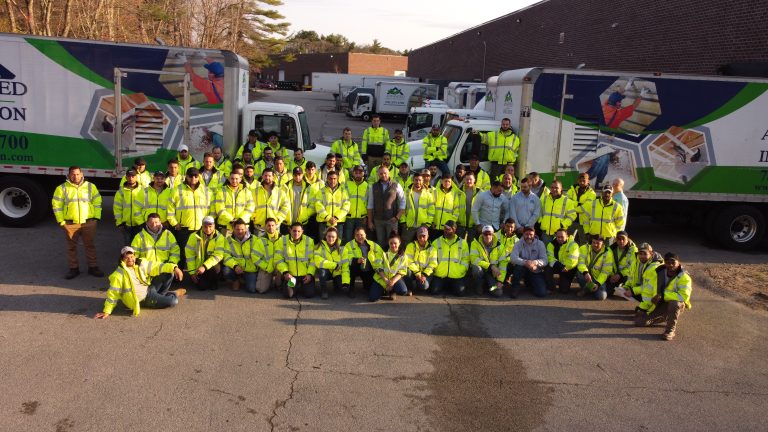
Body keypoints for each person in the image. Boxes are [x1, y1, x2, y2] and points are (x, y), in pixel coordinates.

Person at [94, 246, 185, 319]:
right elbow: (113, 294)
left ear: (135, 256)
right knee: (173, 301)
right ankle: (173, 294)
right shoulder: (118, 275)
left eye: (132, 256)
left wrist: (174, 267)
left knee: (169, 273)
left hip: (149, 289)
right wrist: (107, 311)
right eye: (127, 257)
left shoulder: (141, 263)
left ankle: (160, 297)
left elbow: (157, 266)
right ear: (122, 259)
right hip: (145, 299)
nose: (130, 259)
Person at [52, 166, 104, 279]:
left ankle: (93, 267)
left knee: (90, 245)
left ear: (81, 174)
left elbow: (97, 202)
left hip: (88, 222)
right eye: (73, 174)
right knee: (71, 247)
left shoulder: (91, 186)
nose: (75, 176)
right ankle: (73, 269)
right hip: (70, 223)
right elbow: (56, 206)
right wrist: (61, 221)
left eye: (77, 174)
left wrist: (96, 218)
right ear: (69, 175)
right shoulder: (62, 188)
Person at [634, 252, 693, 341]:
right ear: (664, 263)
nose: (670, 265)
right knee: (639, 322)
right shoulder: (658, 273)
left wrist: (663, 295)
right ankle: (665, 316)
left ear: (679, 263)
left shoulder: (684, 277)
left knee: (674, 303)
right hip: (659, 304)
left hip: (675, 304)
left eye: (673, 262)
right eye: (667, 262)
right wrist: (642, 308)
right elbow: (648, 291)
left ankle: (670, 330)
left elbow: (683, 296)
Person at [167, 167, 211, 269]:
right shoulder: (177, 190)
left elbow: (211, 208)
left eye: (195, 176)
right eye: (190, 176)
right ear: (186, 176)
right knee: (182, 253)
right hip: (184, 228)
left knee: (199, 254)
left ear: (199, 177)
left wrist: (208, 224)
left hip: (200, 228)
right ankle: (179, 275)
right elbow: (170, 210)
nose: (193, 178)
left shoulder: (205, 190)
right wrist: (175, 224)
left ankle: (197, 276)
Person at [366, 166, 406, 249]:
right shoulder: (373, 187)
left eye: (385, 173)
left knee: (392, 243)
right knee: (380, 243)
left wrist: (397, 217)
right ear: (378, 174)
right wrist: (370, 221)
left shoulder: (396, 185)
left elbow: (403, 201)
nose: (383, 175)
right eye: (381, 173)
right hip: (378, 220)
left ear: (389, 173)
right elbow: (370, 204)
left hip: (392, 220)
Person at [276, 223, 316, 299]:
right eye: (294, 231)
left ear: (302, 231)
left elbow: (313, 260)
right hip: (291, 276)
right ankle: (294, 285)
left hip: (305, 276)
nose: (296, 233)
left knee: (309, 294)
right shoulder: (282, 241)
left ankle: (300, 285)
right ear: (290, 230)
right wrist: (285, 272)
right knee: (288, 295)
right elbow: (278, 259)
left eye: (298, 231)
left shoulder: (309, 241)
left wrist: (310, 274)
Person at [185, 215, 225, 291]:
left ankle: (214, 280)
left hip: (212, 266)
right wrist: (192, 273)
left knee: (213, 286)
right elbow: (190, 256)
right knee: (202, 287)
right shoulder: (193, 236)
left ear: (214, 226)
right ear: (202, 226)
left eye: (210, 226)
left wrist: (204, 266)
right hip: (198, 267)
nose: (208, 229)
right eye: (205, 226)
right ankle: (202, 280)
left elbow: (218, 255)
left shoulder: (220, 237)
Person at [341, 226, 383, 298]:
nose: (359, 237)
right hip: (355, 267)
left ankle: (367, 286)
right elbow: (345, 259)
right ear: (354, 236)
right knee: (351, 269)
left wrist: (376, 265)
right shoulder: (349, 245)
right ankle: (351, 289)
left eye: (361, 235)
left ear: (365, 235)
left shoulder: (373, 244)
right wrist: (356, 260)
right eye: (357, 235)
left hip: (368, 268)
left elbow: (381, 256)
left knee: (368, 288)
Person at [430, 220, 470, 296]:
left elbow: (466, 259)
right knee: (434, 291)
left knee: (460, 293)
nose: (445, 231)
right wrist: (436, 269)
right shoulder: (436, 242)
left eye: (448, 229)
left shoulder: (463, 243)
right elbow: (432, 259)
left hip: (456, 275)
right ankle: (447, 286)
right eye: (444, 229)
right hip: (440, 274)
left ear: (454, 230)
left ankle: (449, 286)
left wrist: (460, 270)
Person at [508, 227, 548, 298]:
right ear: (523, 234)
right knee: (518, 268)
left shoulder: (540, 244)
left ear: (534, 234)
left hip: (535, 269)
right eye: (526, 234)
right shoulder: (518, 243)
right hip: (522, 268)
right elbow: (513, 258)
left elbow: (545, 260)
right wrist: (526, 262)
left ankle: (530, 283)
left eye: (531, 234)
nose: (529, 237)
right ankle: (515, 287)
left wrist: (535, 263)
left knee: (541, 293)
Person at [212, 170, 255, 235]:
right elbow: (220, 209)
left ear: (240, 179)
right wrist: (232, 220)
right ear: (229, 179)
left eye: (236, 179)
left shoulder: (247, 192)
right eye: (232, 178)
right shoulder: (221, 191)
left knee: (243, 245)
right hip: (226, 227)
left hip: (243, 227)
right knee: (227, 245)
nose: (234, 181)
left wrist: (241, 220)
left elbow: (250, 208)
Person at [470, 225, 508, 297]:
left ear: (493, 234)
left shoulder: (500, 246)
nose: (487, 236)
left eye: (489, 234)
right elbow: (473, 259)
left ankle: (489, 286)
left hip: (492, 274)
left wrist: (500, 281)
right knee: (476, 268)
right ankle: (479, 285)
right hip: (481, 271)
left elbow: (503, 264)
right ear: (482, 234)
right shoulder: (474, 243)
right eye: (485, 234)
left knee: (498, 293)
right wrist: (491, 266)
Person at [222, 219, 259, 292]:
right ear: (233, 229)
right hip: (236, 267)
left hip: (250, 268)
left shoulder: (255, 239)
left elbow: (258, 256)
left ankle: (243, 279)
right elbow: (226, 256)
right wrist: (235, 266)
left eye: (242, 229)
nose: (240, 231)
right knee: (226, 270)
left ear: (246, 229)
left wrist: (246, 267)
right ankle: (235, 280)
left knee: (251, 289)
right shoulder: (228, 240)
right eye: (237, 229)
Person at [370, 234, 409, 301]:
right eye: (391, 243)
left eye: (395, 243)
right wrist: (386, 281)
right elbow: (379, 267)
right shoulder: (382, 252)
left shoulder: (404, 256)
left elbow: (402, 271)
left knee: (403, 291)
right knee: (373, 298)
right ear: (388, 243)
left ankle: (392, 291)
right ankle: (385, 291)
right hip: (381, 279)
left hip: (394, 279)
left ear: (399, 243)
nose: (393, 245)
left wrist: (392, 282)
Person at [400, 173, 435, 246]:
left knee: (421, 247)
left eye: (420, 180)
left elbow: (431, 211)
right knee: (405, 246)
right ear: (413, 180)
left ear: (423, 181)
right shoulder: (406, 192)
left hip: (422, 226)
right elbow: (402, 207)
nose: (418, 182)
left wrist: (427, 224)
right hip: (409, 226)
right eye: (416, 180)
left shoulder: (428, 194)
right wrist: (403, 222)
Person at [251, 168, 289, 234]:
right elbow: (249, 205)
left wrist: (278, 218)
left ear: (273, 177)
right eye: (265, 176)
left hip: (274, 227)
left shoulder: (280, 192)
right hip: (259, 227)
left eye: (269, 176)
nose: (267, 177)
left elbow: (286, 206)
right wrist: (254, 217)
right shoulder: (255, 191)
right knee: (259, 244)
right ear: (262, 176)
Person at [624, 242, 662, 306]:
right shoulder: (636, 262)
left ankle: (649, 307)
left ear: (651, 254)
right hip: (643, 289)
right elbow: (630, 277)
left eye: (645, 254)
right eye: (640, 254)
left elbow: (648, 287)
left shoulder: (654, 267)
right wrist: (627, 286)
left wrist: (633, 291)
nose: (642, 256)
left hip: (654, 293)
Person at [539, 180, 577, 244]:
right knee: (546, 252)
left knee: (559, 253)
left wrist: (562, 224)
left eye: (556, 188)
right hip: (546, 233)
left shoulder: (567, 201)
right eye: (552, 187)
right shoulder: (544, 199)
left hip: (560, 234)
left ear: (561, 189)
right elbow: (539, 212)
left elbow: (572, 216)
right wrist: (541, 221)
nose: (554, 189)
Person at [113, 168, 145, 246]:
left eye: (133, 176)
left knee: (139, 246)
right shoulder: (121, 192)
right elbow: (117, 208)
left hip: (139, 224)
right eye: (129, 176)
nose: (131, 178)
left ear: (136, 177)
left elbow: (146, 207)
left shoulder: (143, 190)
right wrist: (119, 223)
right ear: (126, 177)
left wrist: (144, 222)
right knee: (128, 247)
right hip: (126, 225)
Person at [313, 170, 350, 236]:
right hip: (324, 222)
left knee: (337, 243)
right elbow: (318, 206)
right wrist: (328, 218)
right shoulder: (321, 191)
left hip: (338, 222)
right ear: (327, 178)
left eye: (334, 179)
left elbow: (346, 206)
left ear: (338, 179)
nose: (332, 181)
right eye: (330, 178)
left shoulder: (343, 191)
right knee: (323, 243)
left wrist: (336, 217)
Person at [544, 228, 580, 294]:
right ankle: (551, 287)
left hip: (568, 268)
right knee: (547, 267)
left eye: (562, 237)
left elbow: (573, 261)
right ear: (556, 236)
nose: (560, 239)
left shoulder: (573, 245)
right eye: (558, 237)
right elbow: (550, 258)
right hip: (558, 266)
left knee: (564, 290)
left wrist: (566, 267)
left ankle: (564, 281)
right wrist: (560, 266)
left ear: (567, 236)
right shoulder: (551, 244)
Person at [404, 226, 437, 294]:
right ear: (417, 236)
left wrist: (424, 275)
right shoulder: (410, 246)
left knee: (424, 286)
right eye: (420, 236)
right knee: (407, 271)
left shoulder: (432, 249)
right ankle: (410, 288)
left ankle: (418, 283)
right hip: (414, 272)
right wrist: (418, 274)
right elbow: (408, 261)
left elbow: (433, 264)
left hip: (426, 273)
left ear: (427, 236)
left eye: (424, 236)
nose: (422, 239)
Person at [253, 218, 282, 294]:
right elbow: (254, 257)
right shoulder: (260, 240)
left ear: (276, 226)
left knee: (281, 287)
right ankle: (269, 281)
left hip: (279, 267)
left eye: (273, 225)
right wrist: (266, 267)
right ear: (265, 227)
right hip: (266, 267)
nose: (271, 227)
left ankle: (278, 283)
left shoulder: (283, 238)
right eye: (268, 225)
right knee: (260, 289)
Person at [566, 172, 596, 244]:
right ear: (578, 181)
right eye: (580, 181)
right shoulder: (572, 190)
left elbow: (586, 207)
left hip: (583, 223)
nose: (582, 182)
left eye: (584, 181)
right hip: (571, 221)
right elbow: (566, 202)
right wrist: (578, 204)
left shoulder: (592, 193)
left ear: (588, 181)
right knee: (567, 241)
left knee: (583, 243)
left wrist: (573, 208)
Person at [315, 227, 344, 299]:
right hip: (327, 271)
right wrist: (334, 265)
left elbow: (344, 260)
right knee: (322, 271)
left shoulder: (341, 246)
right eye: (329, 236)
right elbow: (318, 261)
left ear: (337, 237)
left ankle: (336, 283)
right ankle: (324, 291)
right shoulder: (319, 246)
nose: (331, 239)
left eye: (333, 237)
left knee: (340, 290)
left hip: (338, 271)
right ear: (325, 236)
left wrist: (339, 268)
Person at [432, 175, 463, 241]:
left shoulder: (454, 194)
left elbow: (456, 210)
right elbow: (431, 208)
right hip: (435, 226)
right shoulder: (435, 192)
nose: (447, 183)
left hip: (447, 228)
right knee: (434, 245)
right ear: (441, 181)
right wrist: (432, 221)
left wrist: (451, 224)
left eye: (449, 181)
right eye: (445, 181)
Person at [606, 231, 637, 295]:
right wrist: (612, 275)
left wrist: (619, 275)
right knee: (608, 292)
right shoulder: (610, 249)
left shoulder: (633, 250)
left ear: (627, 239)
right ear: (616, 240)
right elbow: (608, 264)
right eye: (619, 239)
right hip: (614, 275)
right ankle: (619, 287)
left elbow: (632, 267)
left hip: (625, 275)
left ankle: (626, 288)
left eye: (623, 239)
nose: (621, 241)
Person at [283, 167, 311, 235]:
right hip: (288, 221)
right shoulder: (285, 186)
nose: (297, 177)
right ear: (292, 175)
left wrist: (306, 214)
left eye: (299, 175)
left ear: (303, 174)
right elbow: (281, 202)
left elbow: (312, 204)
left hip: (302, 221)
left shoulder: (308, 187)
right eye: (295, 175)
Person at [345, 165, 370, 243]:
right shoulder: (346, 184)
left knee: (361, 240)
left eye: (360, 173)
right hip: (349, 217)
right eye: (356, 173)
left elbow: (369, 203)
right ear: (353, 173)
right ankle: (349, 255)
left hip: (362, 218)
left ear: (363, 173)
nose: (358, 175)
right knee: (348, 239)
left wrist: (368, 217)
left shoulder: (367, 186)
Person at [457, 172, 480, 241]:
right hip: (460, 224)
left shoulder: (479, 192)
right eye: (467, 179)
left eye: (470, 179)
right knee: (459, 245)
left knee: (472, 245)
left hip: (473, 224)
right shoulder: (459, 191)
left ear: (474, 180)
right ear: (464, 180)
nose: (468, 181)